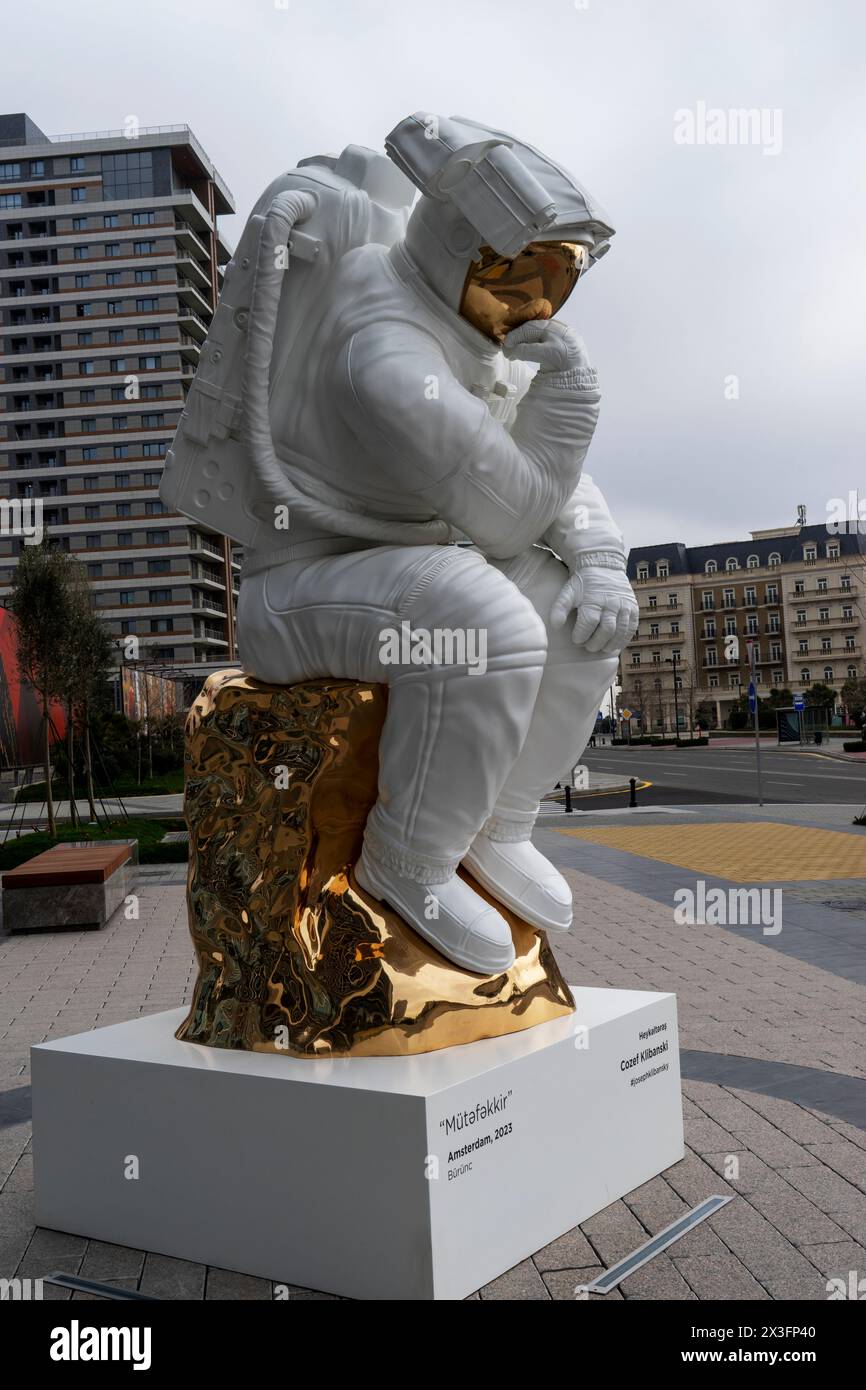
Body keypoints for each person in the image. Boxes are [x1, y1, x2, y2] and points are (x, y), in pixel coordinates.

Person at [237, 114, 638, 973]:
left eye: (556, 279)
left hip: (398, 560)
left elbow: (528, 460)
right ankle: (409, 860)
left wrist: (601, 558)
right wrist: (572, 398)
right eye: (521, 273)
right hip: (299, 583)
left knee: (575, 621)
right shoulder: (386, 353)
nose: (535, 302)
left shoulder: (452, 316)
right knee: (484, 624)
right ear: (461, 244)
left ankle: (504, 818)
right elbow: (513, 510)